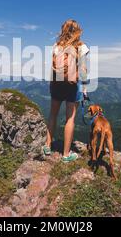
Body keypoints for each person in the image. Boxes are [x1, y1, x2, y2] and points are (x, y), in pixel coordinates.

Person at [43, 19, 89, 162]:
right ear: (77, 31)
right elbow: (82, 70)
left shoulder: (56, 46)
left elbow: (52, 66)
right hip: (71, 85)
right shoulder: (81, 47)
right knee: (70, 119)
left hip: (56, 84)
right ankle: (66, 155)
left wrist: (53, 83)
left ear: (63, 30)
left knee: (53, 115)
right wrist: (85, 88)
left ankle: (47, 146)